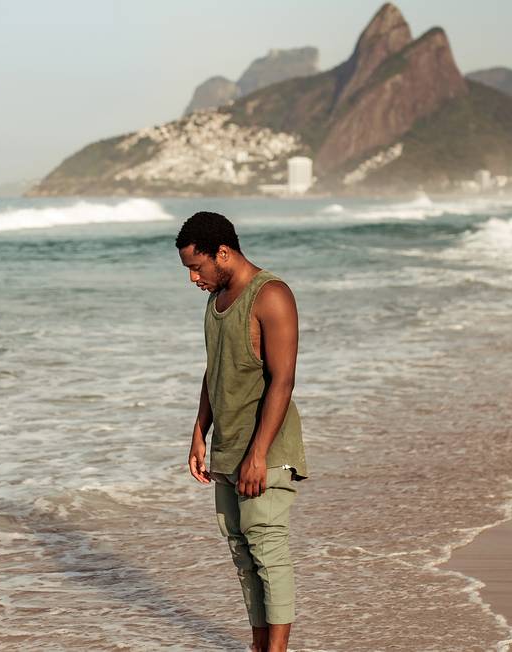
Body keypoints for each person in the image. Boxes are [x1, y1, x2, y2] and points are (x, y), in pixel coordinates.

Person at [175, 211, 309, 652]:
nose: (194, 278)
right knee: (242, 554)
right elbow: (214, 370)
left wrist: (258, 454)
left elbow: (283, 380)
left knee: (268, 549)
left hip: (266, 450)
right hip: (228, 446)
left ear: (223, 253)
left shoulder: (270, 295)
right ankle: (258, 645)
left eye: (198, 267)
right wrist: (199, 430)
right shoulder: (214, 304)